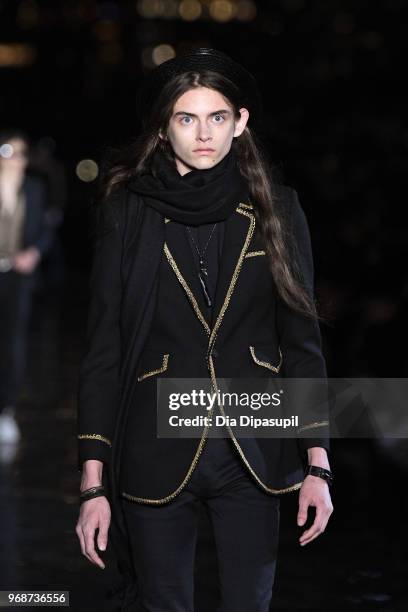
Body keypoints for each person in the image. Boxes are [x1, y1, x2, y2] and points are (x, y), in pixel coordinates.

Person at [76, 48, 333, 611]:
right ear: (164, 130)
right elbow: (104, 349)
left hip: (255, 444)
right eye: (186, 118)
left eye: (217, 117)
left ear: (240, 122)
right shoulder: (128, 212)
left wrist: (318, 460)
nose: (204, 134)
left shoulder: (278, 210)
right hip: (153, 443)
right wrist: (93, 484)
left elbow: (301, 343)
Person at [0, 129, 54, 444]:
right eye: (7, 152)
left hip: (19, 276)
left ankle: (6, 409)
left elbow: (45, 228)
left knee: (14, 340)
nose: (13, 159)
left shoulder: (34, 188)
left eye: (19, 153)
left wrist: (33, 252)